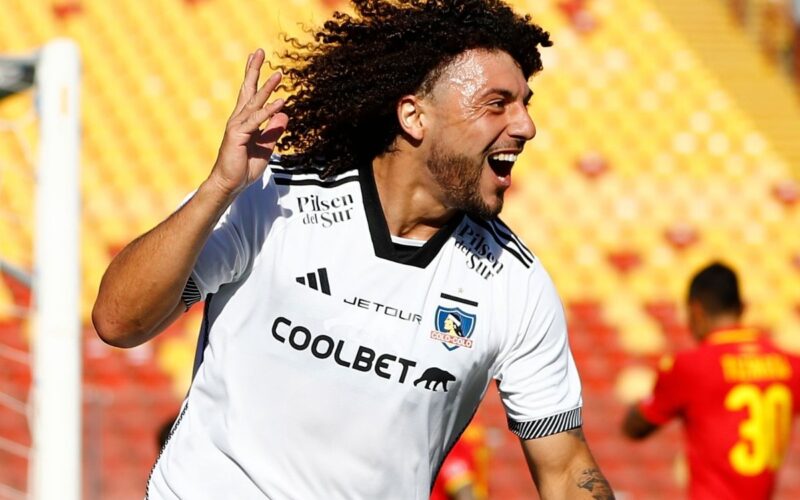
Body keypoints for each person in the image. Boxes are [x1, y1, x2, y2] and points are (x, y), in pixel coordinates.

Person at [93, 0, 613, 498]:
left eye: (525, 105)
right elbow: (119, 322)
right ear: (414, 117)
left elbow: (566, 469)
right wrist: (217, 190)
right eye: (498, 104)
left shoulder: (514, 281)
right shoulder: (272, 197)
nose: (525, 126)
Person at [622, 262, 800, 499]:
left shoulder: (689, 366)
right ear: (742, 308)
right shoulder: (790, 364)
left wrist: (639, 402)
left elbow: (635, 428)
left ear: (696, 311)